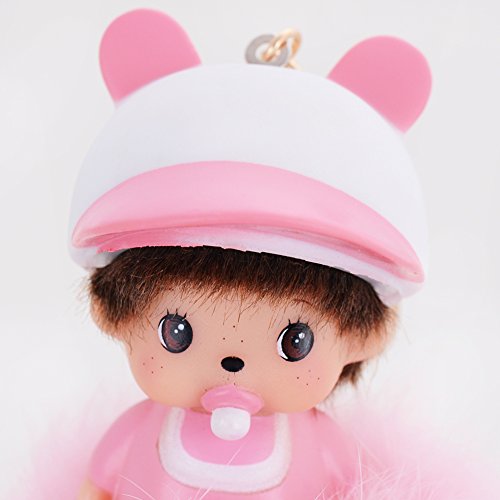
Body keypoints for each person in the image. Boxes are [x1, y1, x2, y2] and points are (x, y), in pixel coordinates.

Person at [70, 8, 470, 499]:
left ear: (365, 336)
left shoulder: (322, 444)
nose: (232, 364)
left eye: (294, 342)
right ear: (111, 313)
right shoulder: (139, 430)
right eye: (177, 333)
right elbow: (97, 485)